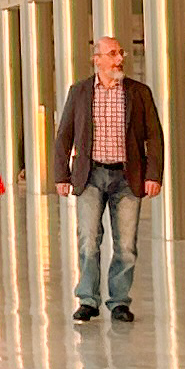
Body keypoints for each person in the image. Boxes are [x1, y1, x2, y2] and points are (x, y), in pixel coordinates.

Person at [54, 32, 166, 322]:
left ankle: (119, 302)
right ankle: (88, 300)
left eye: (121, 53)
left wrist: (154, 174)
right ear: (98, 59)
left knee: (126, 245)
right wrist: (61, 175)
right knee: (89, 240)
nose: (119, 58)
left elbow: (154, 136)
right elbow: (64, 135)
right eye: (113, 53)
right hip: (90, 175)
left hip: (128, 178)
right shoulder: (79, 92)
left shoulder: (139, 92)